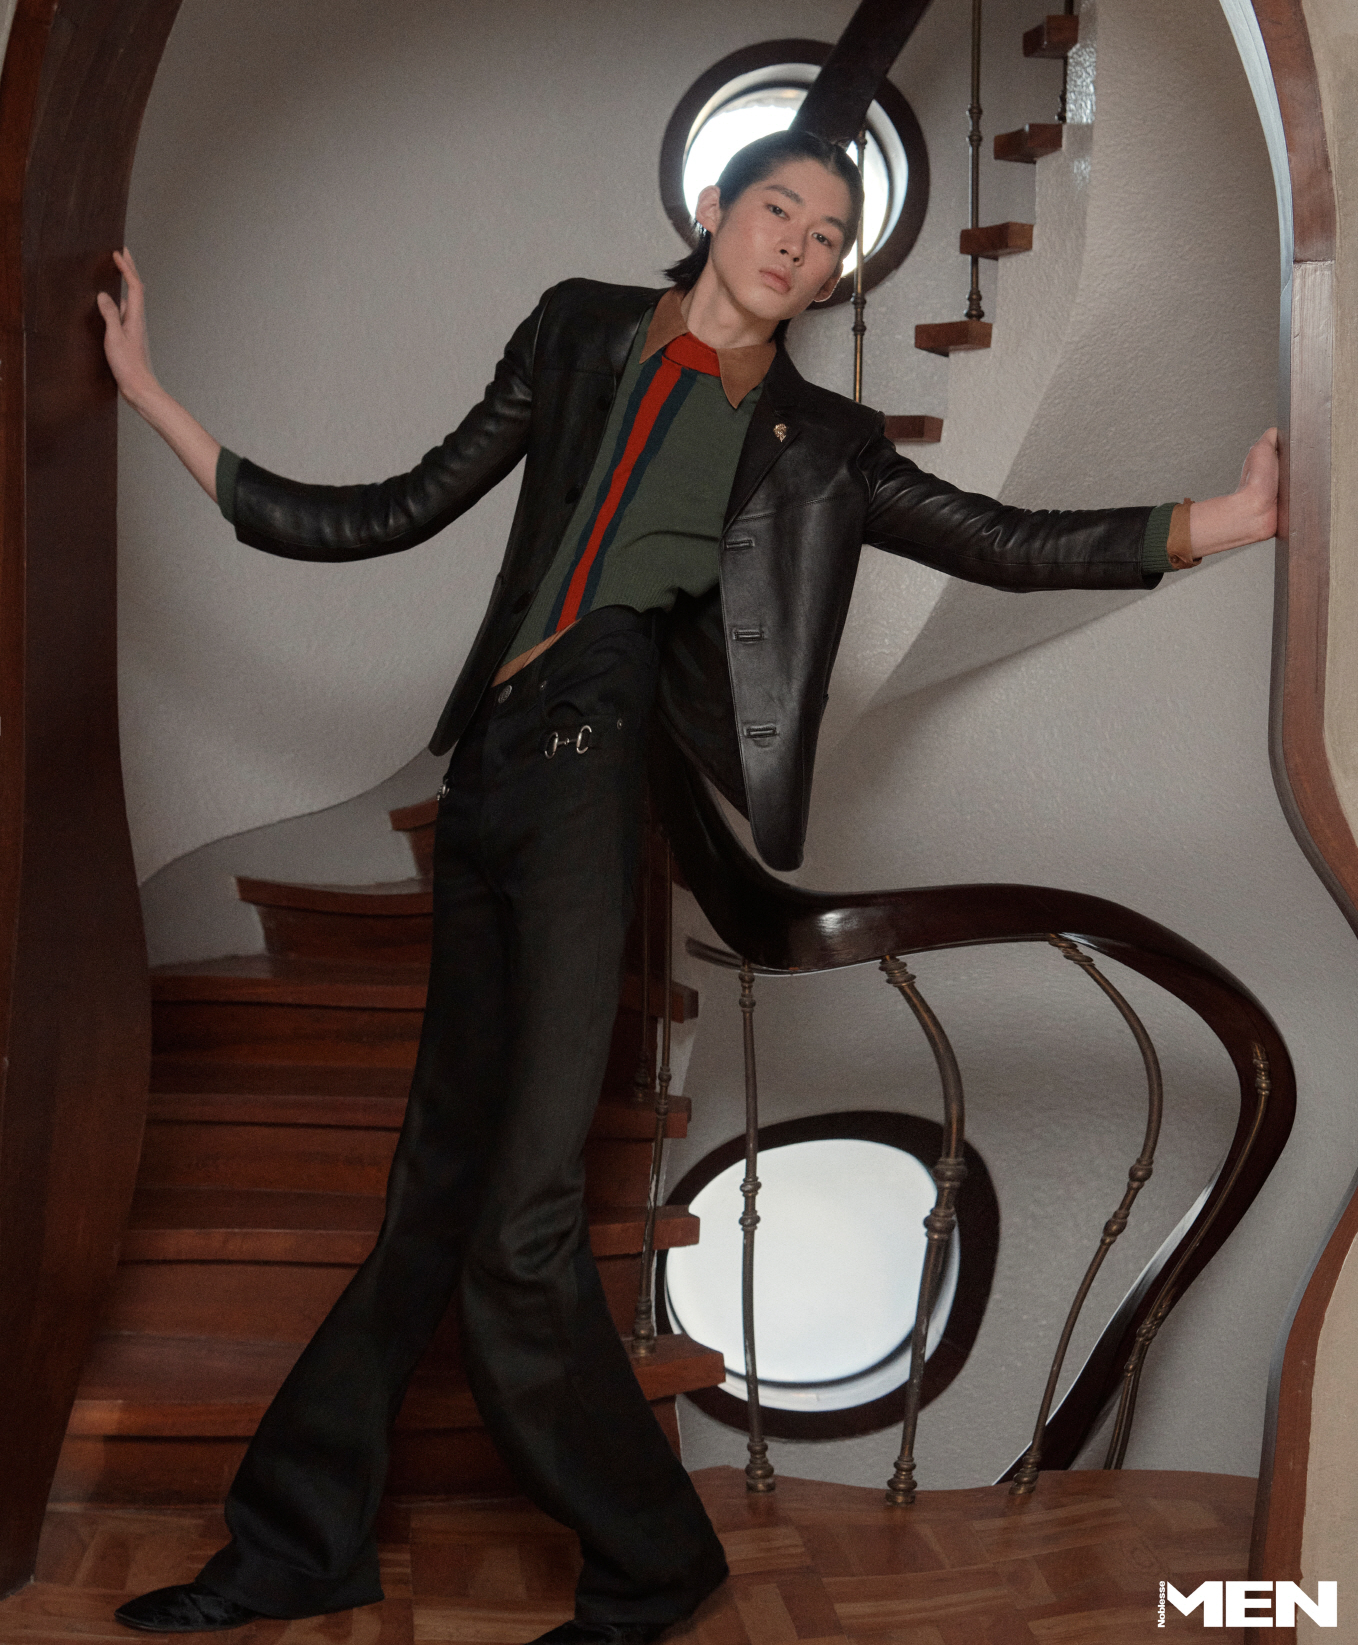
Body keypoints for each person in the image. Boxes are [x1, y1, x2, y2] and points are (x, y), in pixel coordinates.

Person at [99, 129, 1278, 1637]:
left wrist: (1219, 523)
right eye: (779, 206)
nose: (797, 241)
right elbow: (386, 510)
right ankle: (297, 1540)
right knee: (428, 1201)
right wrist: (150, 395)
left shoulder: (822, 444)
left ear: (833, 276)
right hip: (486, 780)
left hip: (592, 780)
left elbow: (1000, 540)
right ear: (716, 208)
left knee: (520, 1227)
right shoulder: (579, 329)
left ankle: (653, 1559)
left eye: (829, 235)